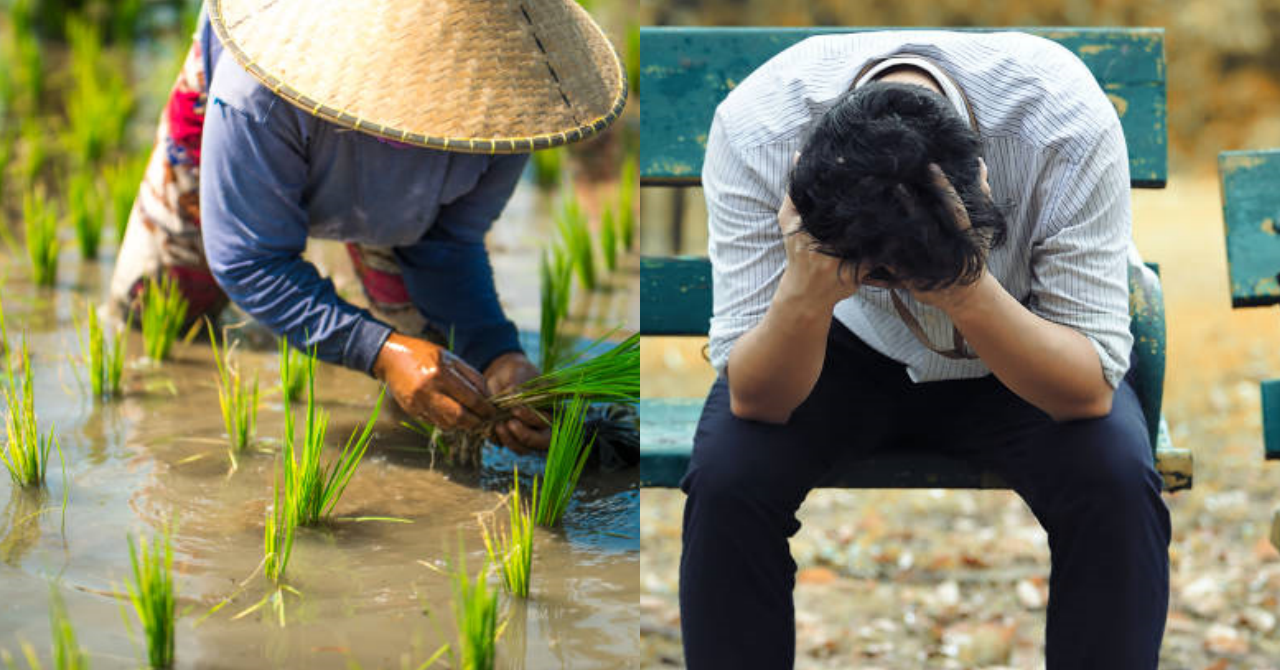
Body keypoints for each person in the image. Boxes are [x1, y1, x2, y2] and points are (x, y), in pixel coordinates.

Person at [679, 31, 1171, 669]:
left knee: (1116, 479)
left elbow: (1086, 391)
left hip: (1023, 334)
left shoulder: (1060, 117)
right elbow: (756, 400)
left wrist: (964, 288)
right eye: (876, 267)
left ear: (985, 183)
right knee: (728, 480)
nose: (895, 282)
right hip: (834, 348)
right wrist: (806, 293)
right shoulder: (758, 130)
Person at [109, 0, 626, 452]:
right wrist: (378, 351)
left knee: (442, 392)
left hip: (402, 211)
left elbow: (445, 243)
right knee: (153, 319)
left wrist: (498, 354)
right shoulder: (255, 88)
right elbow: (247, 257)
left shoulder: (514, 105)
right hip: (250, 129)